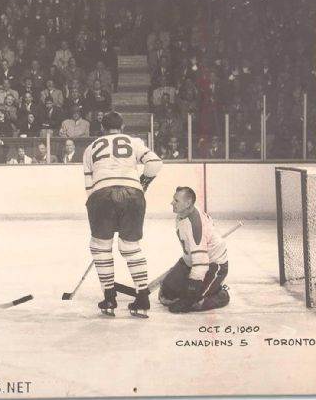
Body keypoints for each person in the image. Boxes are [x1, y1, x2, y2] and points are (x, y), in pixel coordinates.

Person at [83, 112, 163, 317]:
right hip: (133, 194)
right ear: (123, 127)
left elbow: (89, 185)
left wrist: (94, 207)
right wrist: (142, 184)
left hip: (102, 193)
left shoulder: (90, 148)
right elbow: (155, 163)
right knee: (130, 247)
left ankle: (109, 298)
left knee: (101, 247)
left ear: (101, 128)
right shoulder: (134, 141)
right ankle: (142, 298)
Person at [159, 187, 230, 313]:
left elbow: (201, 264)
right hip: (192, 261)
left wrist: (190, 296)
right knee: (167, 293)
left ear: (188, 203)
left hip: (213, 265)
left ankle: (220, 294)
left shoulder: (195, 225)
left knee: (194, 302)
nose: (172, 203)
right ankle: (203, 288)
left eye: (176, 201)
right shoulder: (183, 214)